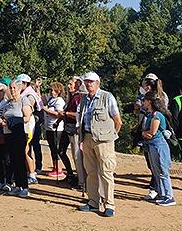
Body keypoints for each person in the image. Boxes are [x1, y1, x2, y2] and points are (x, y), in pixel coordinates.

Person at [77, 72, 123, 217]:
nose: (88, 84)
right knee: (91, 172)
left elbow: (118, 121)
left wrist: (110, 137)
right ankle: (93, 202)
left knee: (106, 172)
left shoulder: (107, 97)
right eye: (87, 81)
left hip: (104, 141)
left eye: (91, 81)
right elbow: (82, 120)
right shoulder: (84, 99)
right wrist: (82, 139)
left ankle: (109, 204)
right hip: (88, 138)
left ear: (98, 82)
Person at [140, 92, 176, 206]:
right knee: (156, 171)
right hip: (152, 145)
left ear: (149, 101)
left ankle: (169, 196)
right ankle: (161, 194)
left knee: (162, 170)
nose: (143, 102)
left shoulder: (156, 115)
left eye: (144, 100)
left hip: (158, 145)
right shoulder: (150, 114)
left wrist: (144, 133)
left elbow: (152, 132)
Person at [0, 78, 33, 197]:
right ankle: (17, 185)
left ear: (19, 88)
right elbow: (3, 117)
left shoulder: (24, 100)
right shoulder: (7, 103)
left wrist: (12, 121)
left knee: (19, 160)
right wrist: (2, 121)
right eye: (11, 88)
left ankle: (24, 187)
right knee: (12, 160)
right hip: (8, 134)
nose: (12, 90)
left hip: (19, 133)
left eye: (15, 88)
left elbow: (27, 117)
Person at [41, 82, 67, 178]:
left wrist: (46, 110)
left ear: (58, 91)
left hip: (57, 128)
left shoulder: (59, 101)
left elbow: (58, 114)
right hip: (49, 127)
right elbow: (43, 99)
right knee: (52, 148)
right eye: (50, 90)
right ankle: (55, 167)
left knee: (56, 148)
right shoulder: (51, 99)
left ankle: (59, 169)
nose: (51, 92)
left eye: (53, 90)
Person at [60, 77, 83, 189]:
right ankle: (70, 174)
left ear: (77, 84)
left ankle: (81, 181)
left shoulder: (78, 97)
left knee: (77, 155)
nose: (68, 86)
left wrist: (66, 113)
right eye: (68, 84)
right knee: (61, 151)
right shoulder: (72, 97)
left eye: (70, 84)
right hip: (67, 127)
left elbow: (79, 115)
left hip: (74, 129)